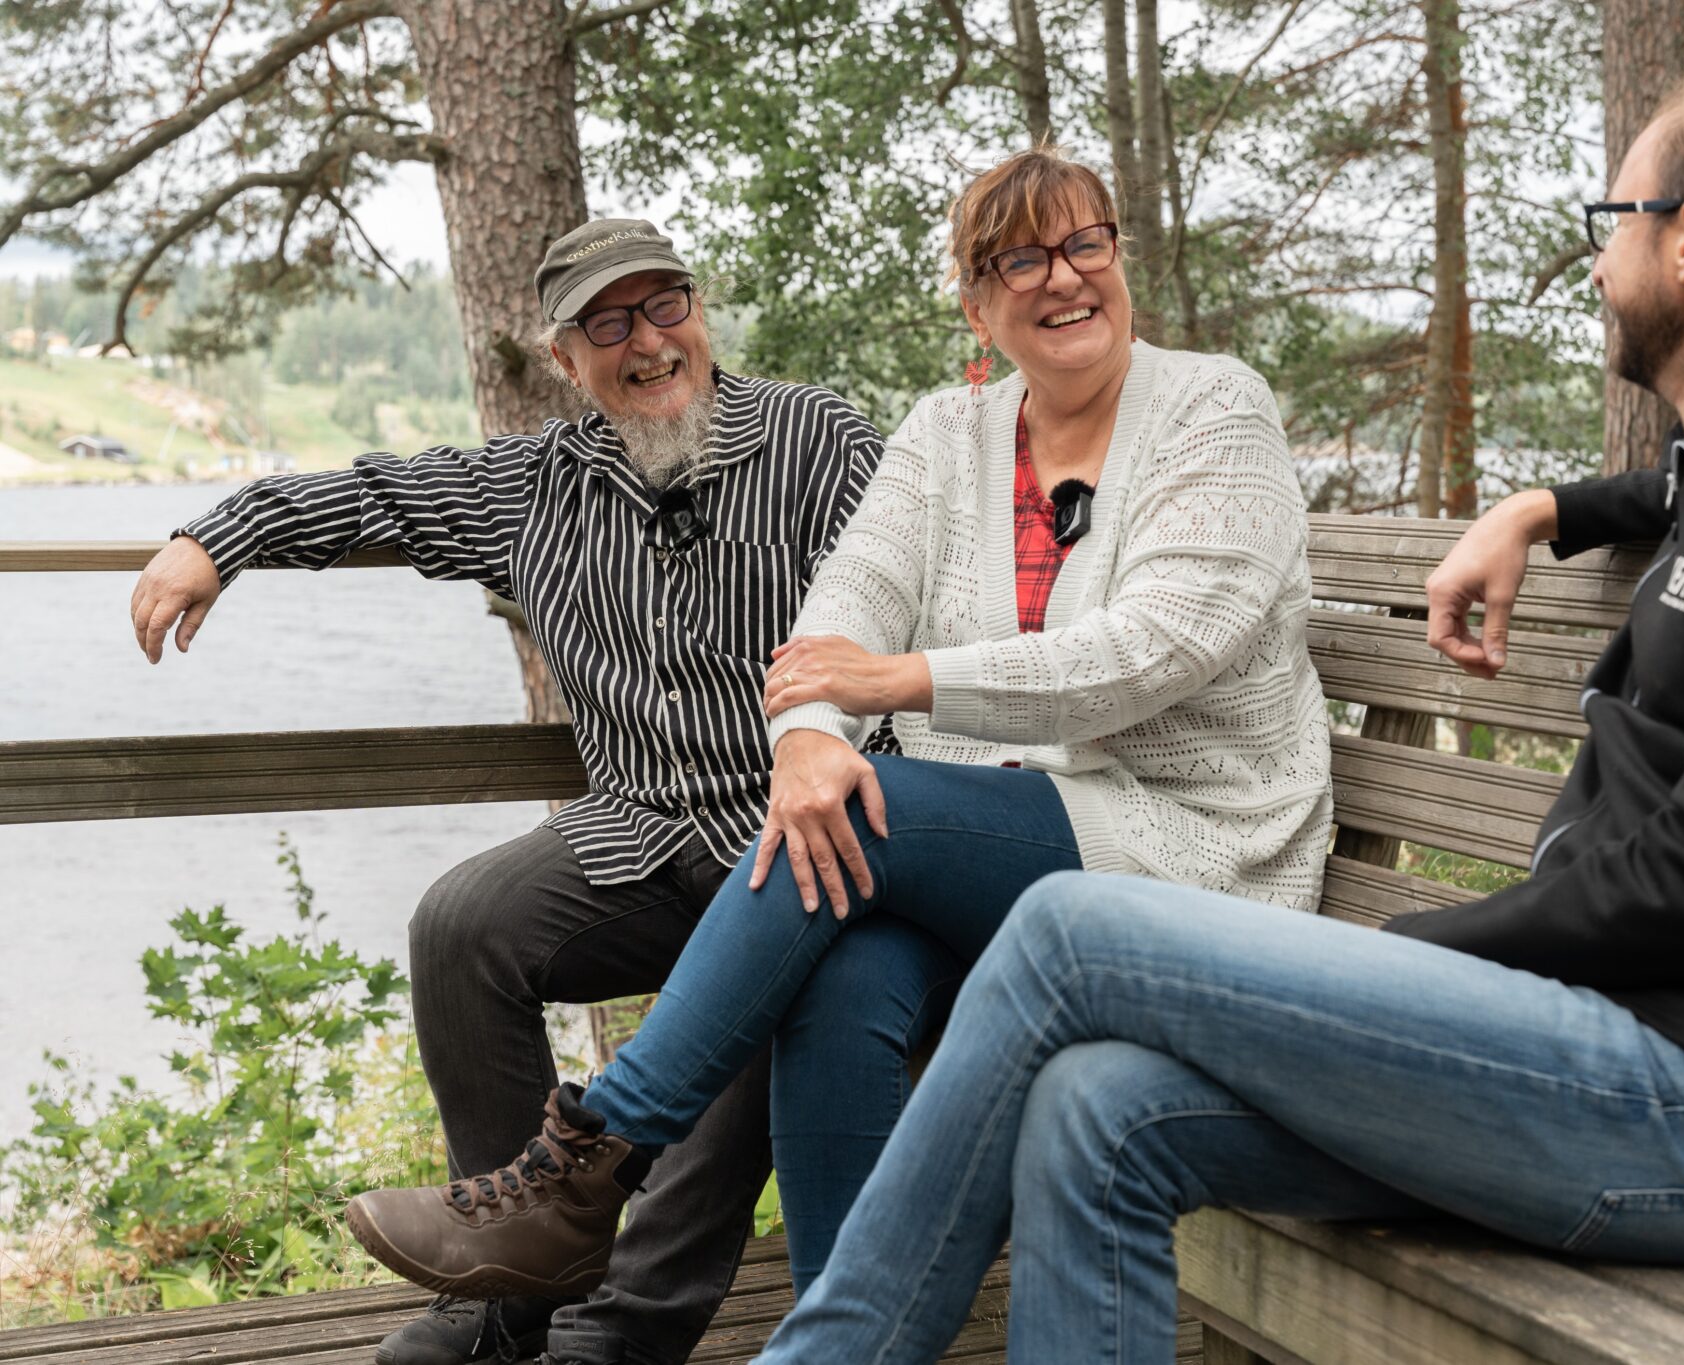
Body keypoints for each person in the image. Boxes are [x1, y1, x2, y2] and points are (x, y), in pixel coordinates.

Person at [742, 58, 1684, 1363]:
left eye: (1613, 221)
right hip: (1624, 1052)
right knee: (1091, 1107)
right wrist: (1540, 508)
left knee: (1070, 931)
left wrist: (1423, 949)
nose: (1597, 263)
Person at [341, 146, 1335, 1302]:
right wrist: (811, 741)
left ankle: (589, 1161)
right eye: (1021, 260)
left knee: (865, 820)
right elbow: (838, 613)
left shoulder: (1214, 409)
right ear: (976, 304)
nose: (1063, 277)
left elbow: (1155, 651)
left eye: (1084, 244)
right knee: (843, 947)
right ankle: (839, 1326)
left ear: (1117, 258)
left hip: (1194, 850)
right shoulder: (948, 433)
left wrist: (894, 683)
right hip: (1017, 851)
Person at [127, 219, 893, 1365]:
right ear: (564, 359)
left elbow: (909, 601)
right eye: (609, 322)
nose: (649, 341)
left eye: (666, 304)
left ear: (699, 311)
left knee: (758, 1007)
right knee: (461, 924)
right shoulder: (534, 484)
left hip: (798, 833)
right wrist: (217, 539)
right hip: (636, 831)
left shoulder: (816, 438)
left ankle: (619, 1336)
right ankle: (505, 1295)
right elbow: (375, 497)